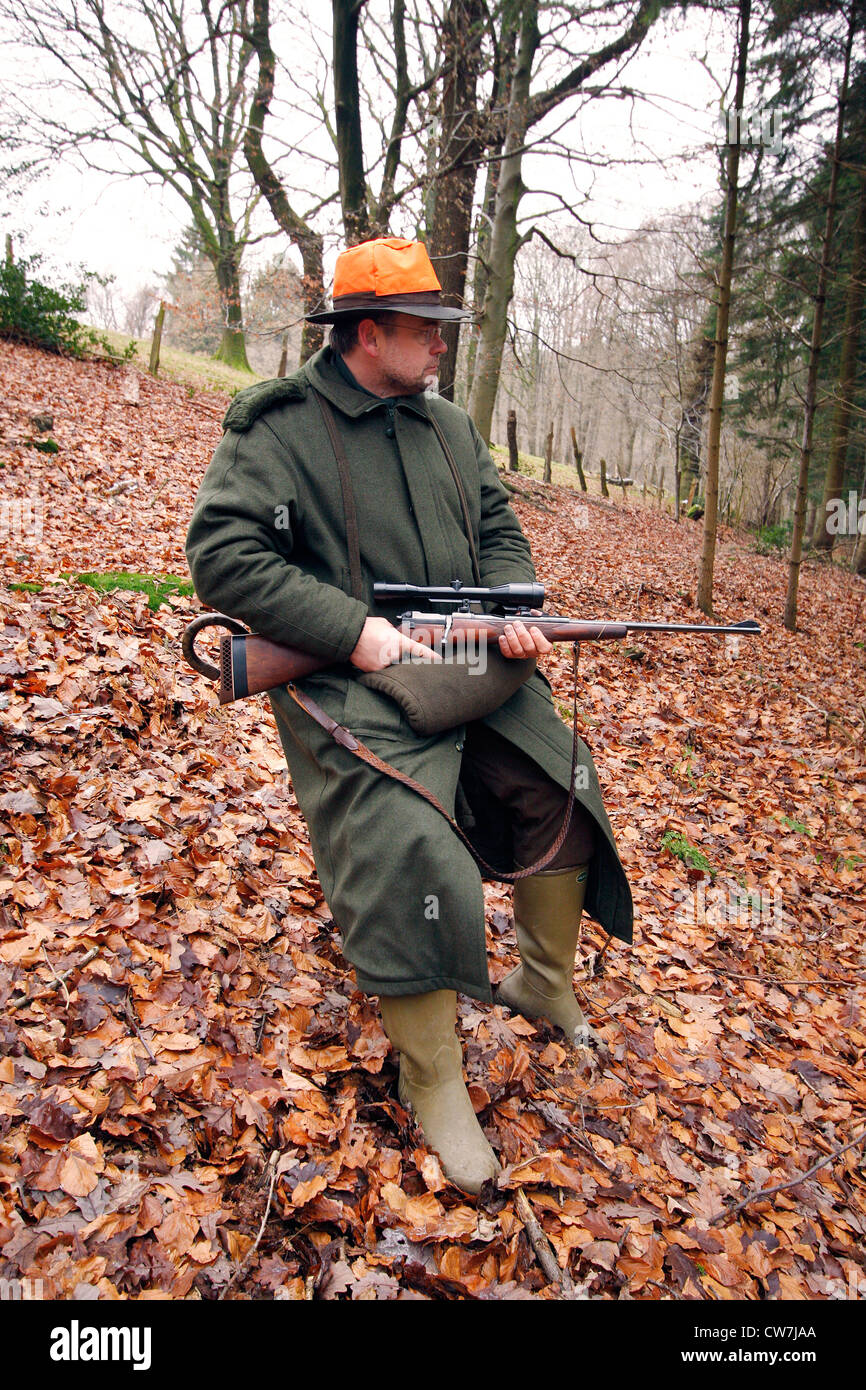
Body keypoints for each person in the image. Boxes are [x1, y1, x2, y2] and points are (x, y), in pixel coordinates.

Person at [185, 236, 632, 1194]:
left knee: (564, 778)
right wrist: (355, 632)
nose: (440, 348)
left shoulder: (450, 427)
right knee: (410, 845)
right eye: (426, 331)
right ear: (369, 330)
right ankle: (435, 1081)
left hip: (469, 666)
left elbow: (500, 525)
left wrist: (514, 609)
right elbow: (224, 559)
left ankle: (542, 983)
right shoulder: (277, 428)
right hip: (347, 684)